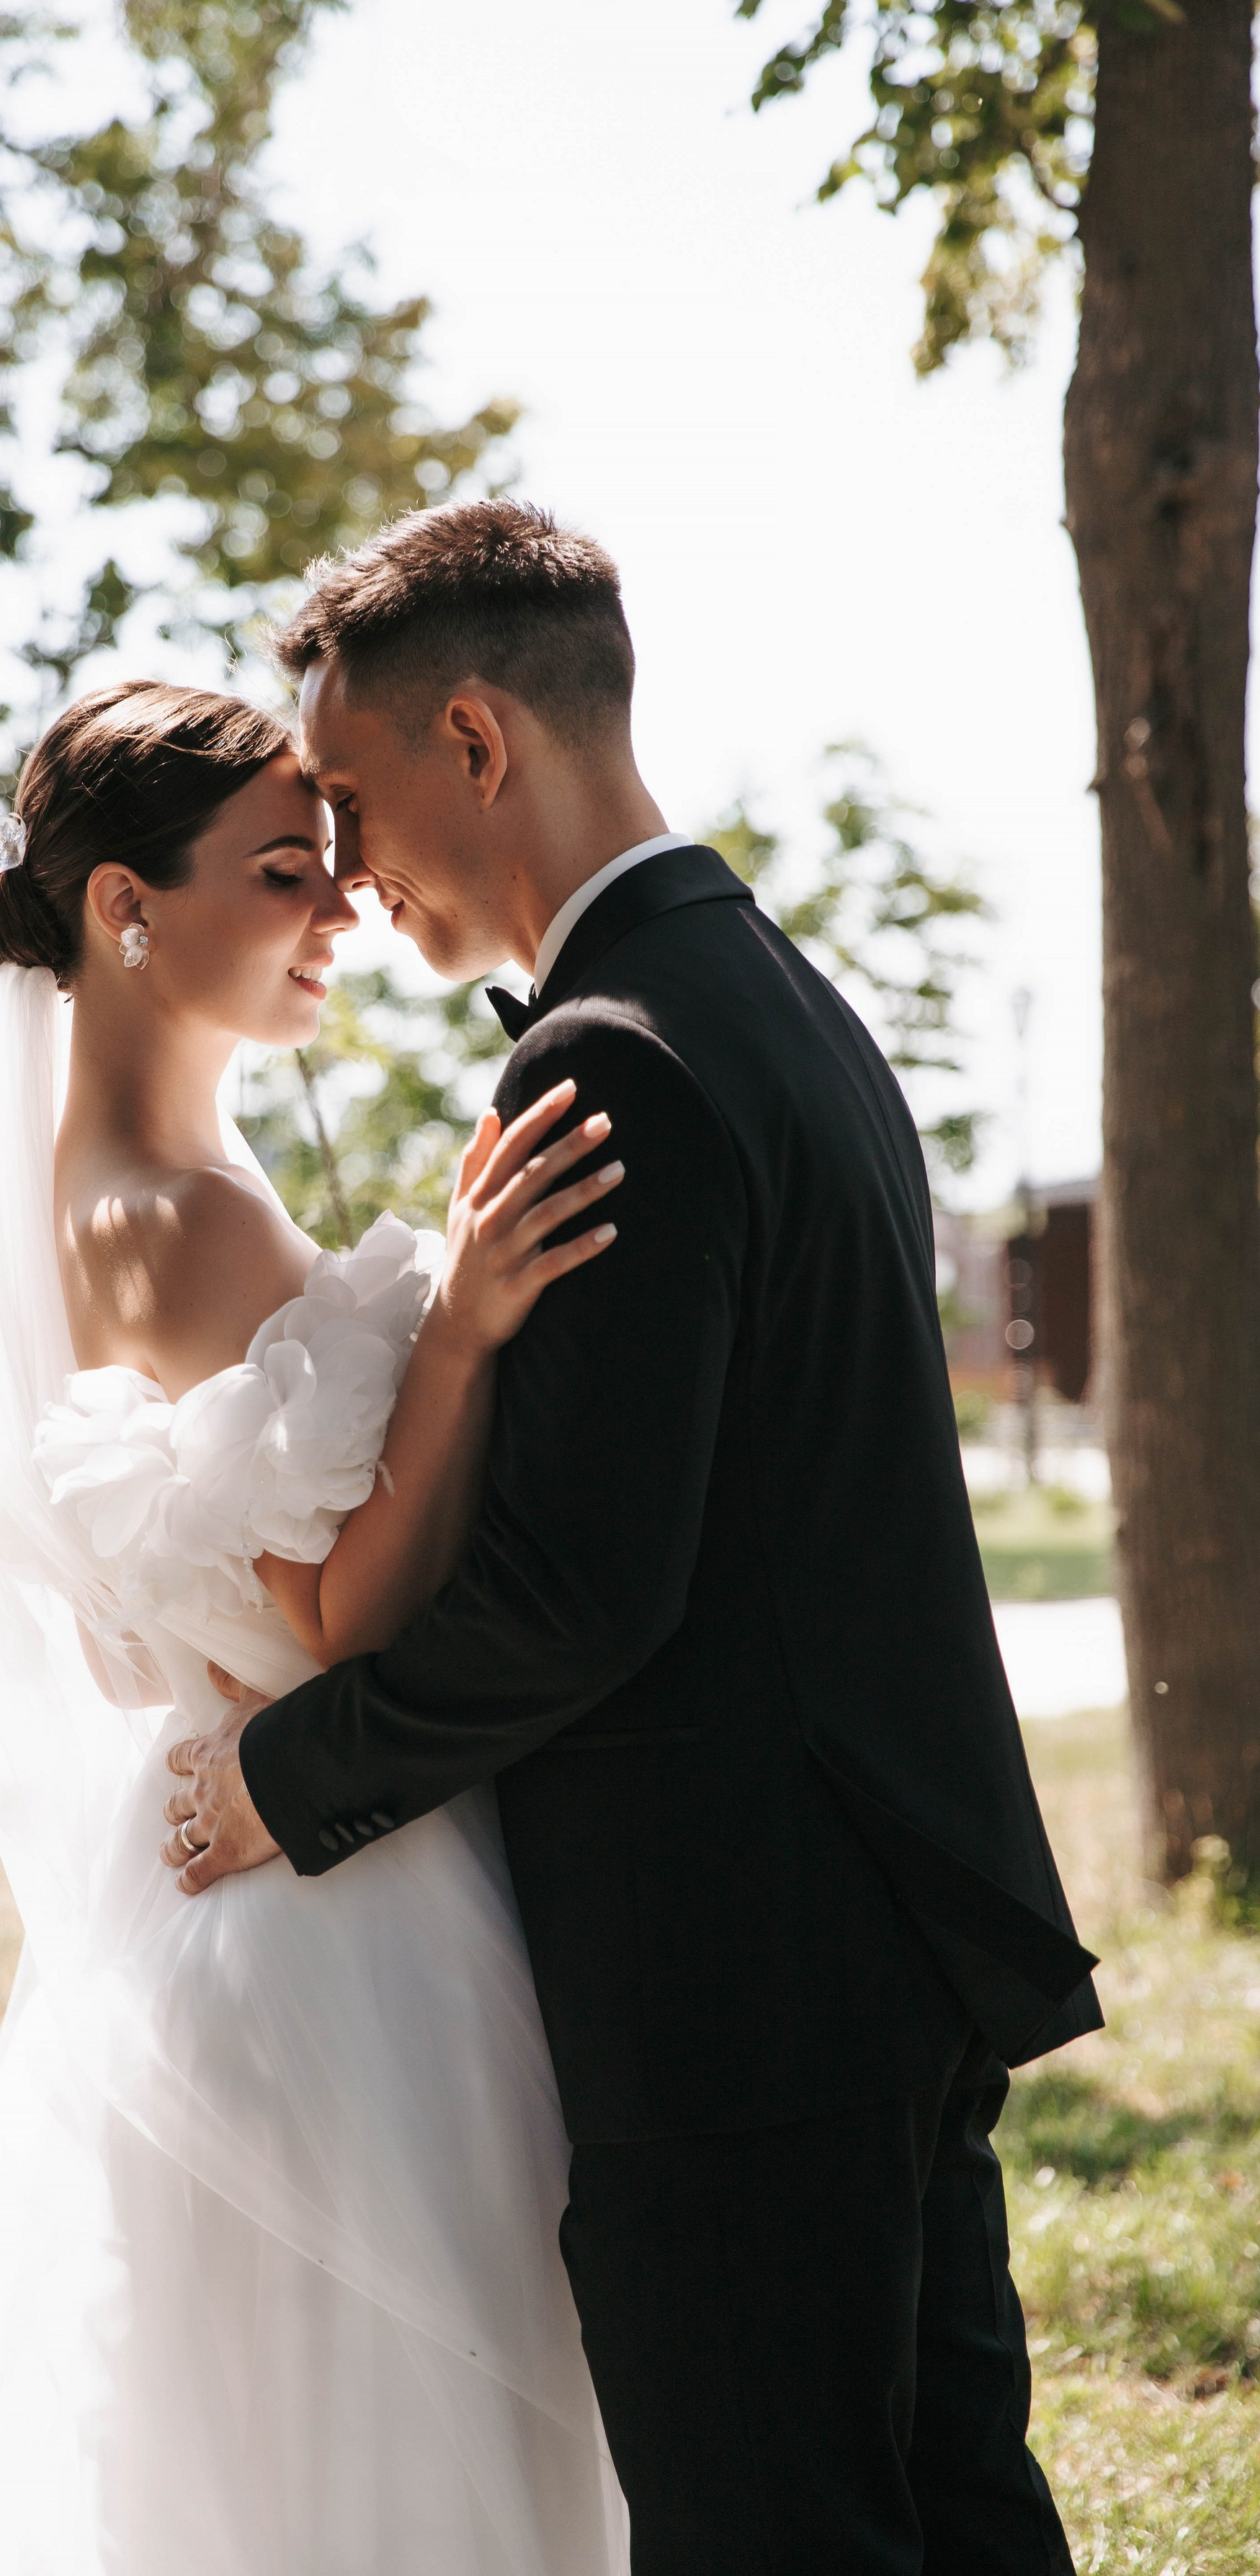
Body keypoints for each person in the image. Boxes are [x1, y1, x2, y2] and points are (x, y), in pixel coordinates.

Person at [167, 499, 1102, 2575]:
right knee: (948, 2507)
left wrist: (286, 1777)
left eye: (348, 792)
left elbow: (587, 1589)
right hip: (878, 1932)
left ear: (478, 745)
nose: (341, 864)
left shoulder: (618, 1061)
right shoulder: (775, 996)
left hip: (739, 1976)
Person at [0, 679, 631, 2575]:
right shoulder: (178, 1216)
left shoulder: (121, 1190)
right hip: (341, 1935)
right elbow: (343, 1621)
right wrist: (461, 1334)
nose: (342, 911)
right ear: (125, 905)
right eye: (289, 872)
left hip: (251, 1907)